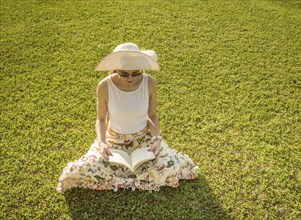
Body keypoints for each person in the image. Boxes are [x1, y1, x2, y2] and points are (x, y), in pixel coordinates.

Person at [56, 43, 199, 193]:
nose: (130, 78)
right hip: (114, 140)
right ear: (116, 69)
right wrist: (102, 143)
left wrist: (156, 138)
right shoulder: (105, 85)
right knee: (81, 168)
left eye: (136, 73)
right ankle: (135, 174)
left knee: (171, 164)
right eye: (124, 74)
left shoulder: (149, 82)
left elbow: (152, 115)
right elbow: (101, 119)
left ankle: (126, 174)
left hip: (143, 138)